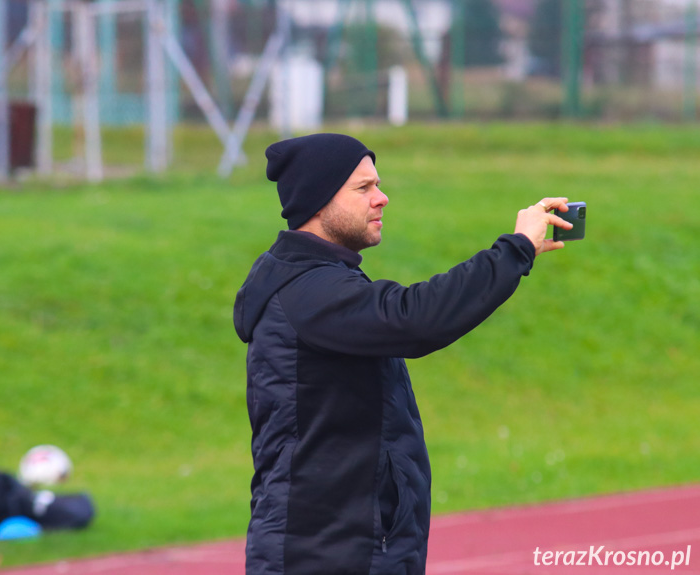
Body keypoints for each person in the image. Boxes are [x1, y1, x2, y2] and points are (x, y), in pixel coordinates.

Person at [232, 133, 573, 575]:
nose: (382, 198)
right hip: (323, 552)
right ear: (317, 201)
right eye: (363, 188)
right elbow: (416, 318)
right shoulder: (308, 290)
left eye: (377, 184)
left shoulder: (318, 283)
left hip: (352, 545)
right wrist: (514, 250)